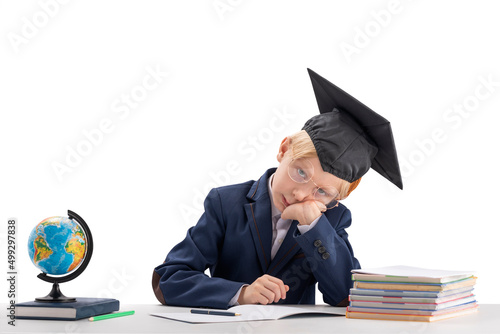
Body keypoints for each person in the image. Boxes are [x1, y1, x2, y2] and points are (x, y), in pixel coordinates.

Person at [152, 69, 403, 309]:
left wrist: (313, 227)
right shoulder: (225, 203)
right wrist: (240, 293)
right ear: (284, 149)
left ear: (338, 197)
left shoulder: (332, 218)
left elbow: (345, 296)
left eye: (323, 192)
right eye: (301, 172)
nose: (301, 195)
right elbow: (168, 279)